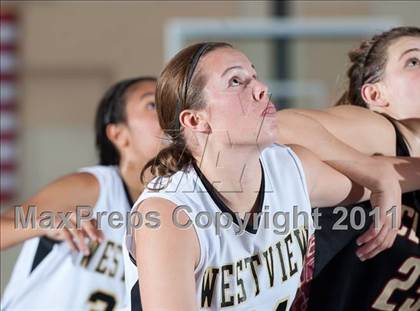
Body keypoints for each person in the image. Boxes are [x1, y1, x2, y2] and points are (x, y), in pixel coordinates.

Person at [123, 42, 420, 311]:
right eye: (236, 81)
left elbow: (391, 177)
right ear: (195, 120)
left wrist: (379, 175)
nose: (262, 88)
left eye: (255, 76)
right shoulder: (168, 216)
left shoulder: (290, 171)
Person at [0, 76, 162, 310]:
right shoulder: (94, 187)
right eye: (152, 105)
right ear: (118, 134)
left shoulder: (168, 208)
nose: (167, 113)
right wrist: (44, 223)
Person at [297, 26, 420, 311]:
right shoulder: (383, 133)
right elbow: (277, 127)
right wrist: (374, 171)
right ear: (375, 95)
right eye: (413, 61)